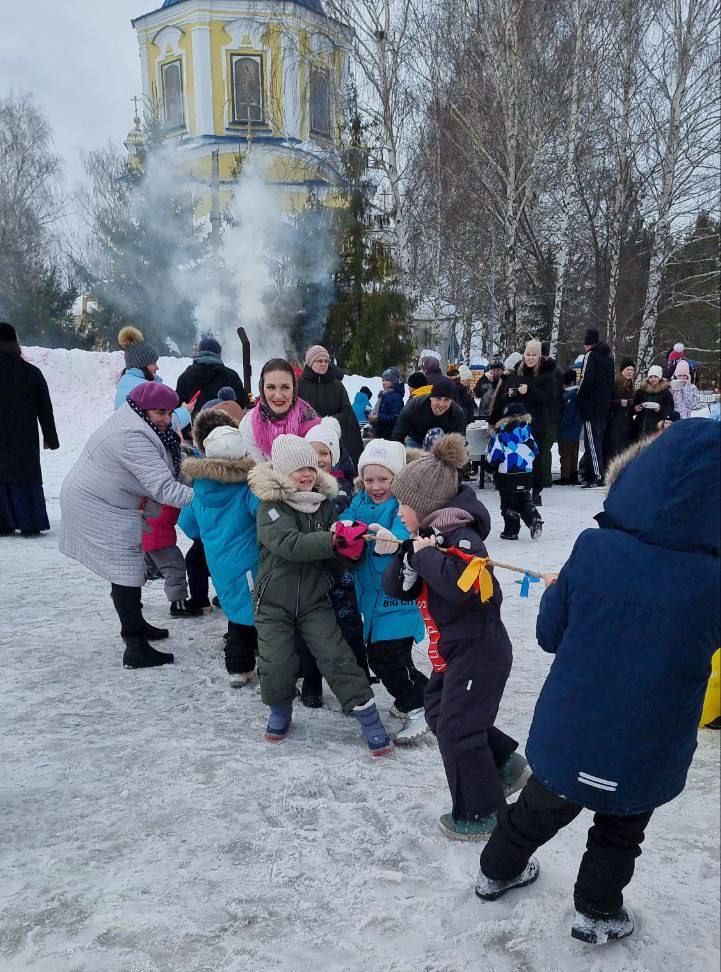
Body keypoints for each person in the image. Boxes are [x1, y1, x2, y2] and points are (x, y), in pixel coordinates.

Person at [475, 420, 721, 946]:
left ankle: (496, 870)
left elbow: (548, 634)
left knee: (536, 811)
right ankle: (597, 910)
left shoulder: (594, 547)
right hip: (649, 746)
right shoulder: (712, 581)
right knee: (620, 832)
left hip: (572, 732)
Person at [382, 434, 529, 838]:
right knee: (437, 709)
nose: (398, 512)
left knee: (457, 729)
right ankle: (504, 762)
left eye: (403, 505)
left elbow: (467, 589)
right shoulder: (428, 539)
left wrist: (426, 556)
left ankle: (484, 812)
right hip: (452, 652)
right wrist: (409, 560)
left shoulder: (464, 538)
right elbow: (397, 588)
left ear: (425, 506)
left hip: (479, 652)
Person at [247, 435, 394, 755]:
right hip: (273, 602)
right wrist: (333, 541)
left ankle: (369, 718)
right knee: (277, 662)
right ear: (283, 472)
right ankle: (280, 711)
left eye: (310, 467)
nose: (306, 474)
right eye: (298, 469)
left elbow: (334, 554)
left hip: (314, 600)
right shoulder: (271, 508)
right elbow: (289, 545)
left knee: (336, 655)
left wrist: (350, 549)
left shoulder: (323, 506)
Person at [59, 382, 193, 669]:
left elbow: (170, 461)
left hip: (108, 500)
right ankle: (135, 646)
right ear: (144, 409)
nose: (167, 420)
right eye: (161, 413)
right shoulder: (132, 435)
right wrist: (208, 497)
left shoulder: (138, 419)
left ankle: (136, 624)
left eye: (170, 413)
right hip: (97, 505)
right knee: (126, 571)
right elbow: (163, 488)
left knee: (126, 569)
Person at [345, 439, 428, 743]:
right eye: (369, 479)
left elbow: (403, 533)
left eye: (383, 479)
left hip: (397, 601)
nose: (376, 486)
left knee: (389, 658)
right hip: (374, 601)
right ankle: (423, 694)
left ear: (397, 479)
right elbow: (346, 521)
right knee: (382, 659)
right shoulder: (360, 503)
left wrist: (389, 540)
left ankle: (418, 704)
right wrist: (341, 531)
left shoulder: (401, 506)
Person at [179, 423, 259, 686]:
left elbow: (188, 523)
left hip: (218, 561)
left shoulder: (200, 488)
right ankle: (242, 664)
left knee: (234, 608)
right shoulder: (247, 487)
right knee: (251, 613)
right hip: (249, 562)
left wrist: (211, 538)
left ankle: (239, 665)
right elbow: (263, 517)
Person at [298, 420, 369, 706]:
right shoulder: (299, 486)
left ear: (334, 455)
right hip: (310, 571)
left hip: (341, 573)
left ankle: (360, 678)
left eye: (325, 453)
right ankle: (312, 679)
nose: (319, 460)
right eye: (312, 453)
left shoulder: (343, 488)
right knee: (311, 628)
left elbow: (347, 517)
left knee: (349, 627)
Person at [0, 322, 59, 536]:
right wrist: (50, 438)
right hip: (23, 439)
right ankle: (29, 523)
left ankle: (3, 524)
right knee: (24, 480)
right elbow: (45, 408)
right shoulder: (31, 372)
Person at [183, 407, 242, 613]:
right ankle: (240, 633)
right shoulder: (249, 481)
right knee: (245, 591)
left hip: (213, 545)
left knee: (197, 563)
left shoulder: (201, 484)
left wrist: (204, 532)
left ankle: (200, 599)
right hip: (245, 546)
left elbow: (187, 522)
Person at [489, 341, 556, 506]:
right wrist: (511, 394)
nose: (531, 358)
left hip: (537, 423)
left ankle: (536, 491)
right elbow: (503, 397)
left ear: (539, 357)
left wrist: (531, 390)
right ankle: (520, 487)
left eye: (534, 355)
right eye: (528, 355)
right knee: (519, 457)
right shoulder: (516, 373)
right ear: (524, 355)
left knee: (536, 457)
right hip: (517, 425)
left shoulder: (547, 375)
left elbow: (550, 399)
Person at [239, 358, 320, 462]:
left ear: (294, 389)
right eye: (271, 387)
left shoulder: (311, 421)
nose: (278, 395)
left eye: (285, 387)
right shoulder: (249, 424)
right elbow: (258, 471)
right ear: (262, 389)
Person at [115, 326, 194, 430]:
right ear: (141, 365)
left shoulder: (127, 383)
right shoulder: (143, 389)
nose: (157, 367)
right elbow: (160, 427)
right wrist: (185, 411)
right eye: (153, 363)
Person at [297, 345, 364, 464]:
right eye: (319, 361)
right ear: (310, 362)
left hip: (334, 439)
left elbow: (346, 410)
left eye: (326, 361)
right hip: (306, 440)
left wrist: (332, 421)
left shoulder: (337, 385)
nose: (323, 364)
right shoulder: (299, 385)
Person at [486, 402, 543, 541]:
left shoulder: (501, 436)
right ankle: (533, 518)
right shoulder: (529, 435)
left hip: (506, 475)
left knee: (507, 503)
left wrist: (491, 465)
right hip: (526, 474)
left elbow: (494, 456)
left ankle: (511, 530)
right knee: (524, 498)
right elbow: (535, 453)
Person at [576, 328, 615, 488]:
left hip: (591, 407)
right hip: (604, 406)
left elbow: (586, 379)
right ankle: (597, 472)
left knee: (592, 443)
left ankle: (597, 475)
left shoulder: (590, 356)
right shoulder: (608, 358)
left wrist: (580, 397)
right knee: (599, 440)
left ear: (587, 344)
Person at [175, 335, 250, 416]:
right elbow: (243, 401)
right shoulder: (231, 376)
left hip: (195, 426)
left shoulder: (185, 377)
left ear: (199, 352)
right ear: (218, 353)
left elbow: (177, 407)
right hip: (225, 426)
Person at [392, 377, 467, 446]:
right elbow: (398, 434)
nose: (441, 404)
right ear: (431, 397)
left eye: (446, 400)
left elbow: (460, 442)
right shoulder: (414, 406)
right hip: (417, 440)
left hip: (443, 445)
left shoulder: (456, 413)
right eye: (438, 398)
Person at [604, 358, 636, 464]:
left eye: (632, 370)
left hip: (626, 423)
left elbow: (630, 404)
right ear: (622, 370)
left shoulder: (631, 385)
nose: (630, 372)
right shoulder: (615, 383)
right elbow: (606, 402)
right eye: (628, 369)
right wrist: (619, 403)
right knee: (613, 451)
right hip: (614, 423)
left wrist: (635, 408)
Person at [632, 365, 675, 439]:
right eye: (651, 377)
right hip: (639, 427)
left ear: (660, 378)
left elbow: (670, 410)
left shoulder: (665, 392)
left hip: (656, 428)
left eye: (655, 376)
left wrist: (660, 409)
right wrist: (635, 409)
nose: (653, 379)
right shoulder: (641, 391)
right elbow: (633, 406)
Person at [558, 369, 582, 485]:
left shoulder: (568, 396)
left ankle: (565, 476)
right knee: (574, 453)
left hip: (566, 429)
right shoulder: (578, 394)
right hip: (576, 429)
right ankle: (574, 474)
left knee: (565, 453)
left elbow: (567, 414)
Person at [370, 368, 406, 439]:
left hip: (389, 436)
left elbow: (396, 417)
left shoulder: (396, 397)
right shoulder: (383, 395)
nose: (383, 383)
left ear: (394, 381)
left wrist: (378, 417)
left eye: (387, 380)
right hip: (381, 434)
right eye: (383, 380)